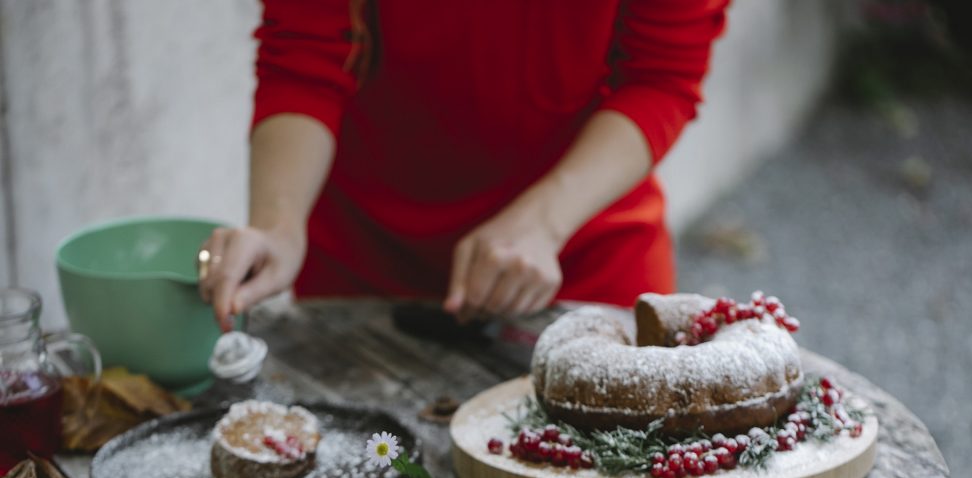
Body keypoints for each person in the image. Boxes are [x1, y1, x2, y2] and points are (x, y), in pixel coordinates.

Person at [199, 0, 729, 331]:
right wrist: (278, 222)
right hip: (365, 254)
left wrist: (542, 222)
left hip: (584, 250)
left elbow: (660, 78)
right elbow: (305, 55)